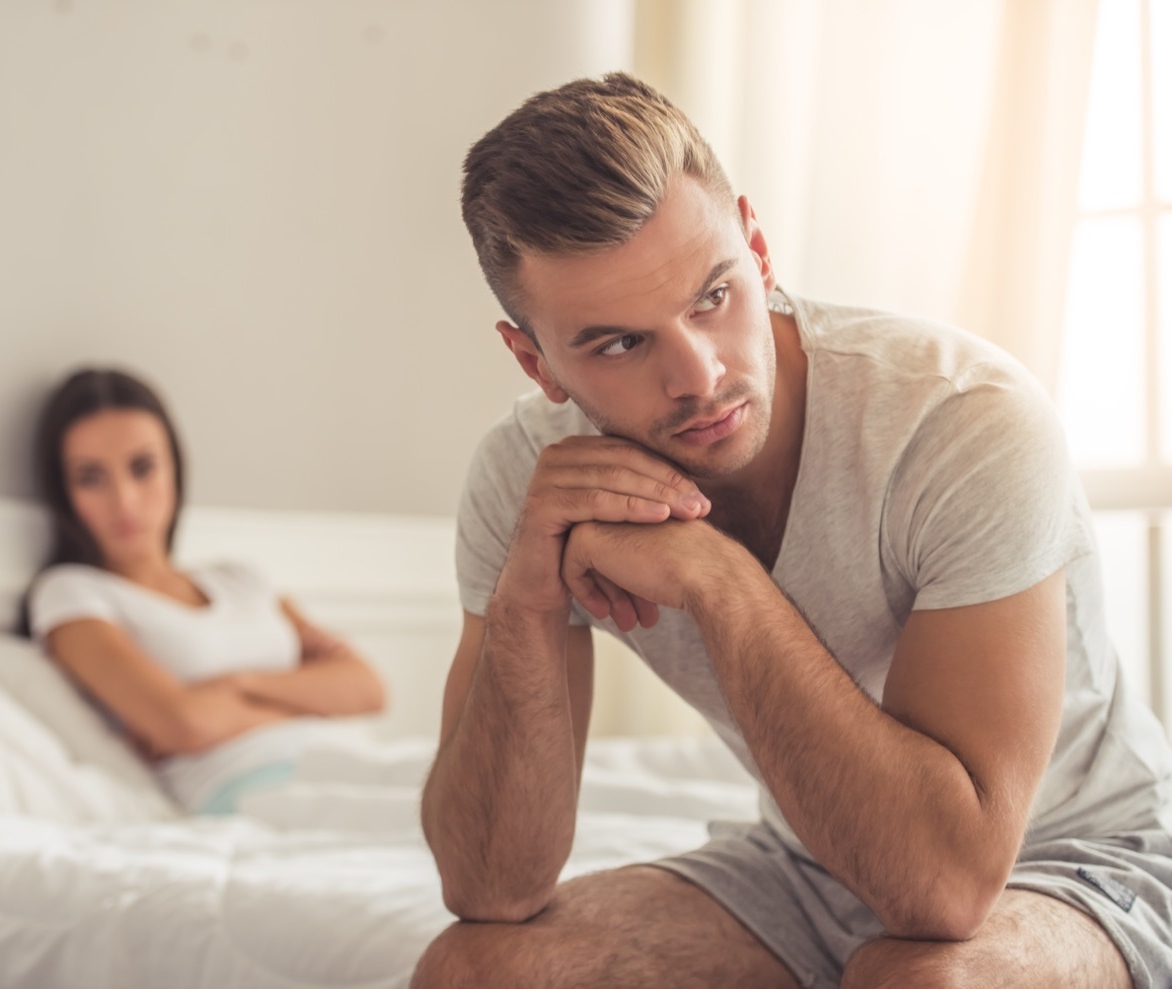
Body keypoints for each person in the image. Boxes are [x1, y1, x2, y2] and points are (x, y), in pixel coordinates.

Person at [412, 72, 1172, 989]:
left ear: (759, 249)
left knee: (923, 981)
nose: (699, 376)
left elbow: (946, 887)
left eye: (712, 296)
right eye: (620, 343)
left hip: (1085, 859)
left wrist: (719, 579)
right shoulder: (532, 482)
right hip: (811, 863)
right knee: (475, 969)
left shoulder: (961, 419)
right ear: (535, 361)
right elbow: (489, 886)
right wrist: (528, 601)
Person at [23, 367, 387, 814]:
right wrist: (314, 700)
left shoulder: (241, 579)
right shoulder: (72, 594)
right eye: (91, 478)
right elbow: (184, 724)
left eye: (143, 468)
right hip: (257, 788)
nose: (125, 500)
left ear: (174, 469)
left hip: (356, 759)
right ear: (64, 492)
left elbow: (368, 688)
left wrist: (239, 685)